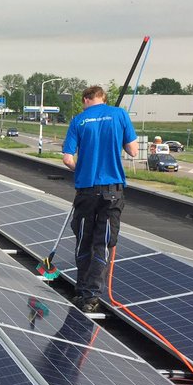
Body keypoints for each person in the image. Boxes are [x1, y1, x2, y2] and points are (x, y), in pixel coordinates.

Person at [61, 85, 138, 313]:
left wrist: (81, 168)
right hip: (112, 192)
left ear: (86, 99)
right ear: (103, 99)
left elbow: (67, 159)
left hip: (86, 190)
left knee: (83, 241)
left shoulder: (79, 120)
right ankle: (92, 296)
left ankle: (82, 289)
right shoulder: (119, 114)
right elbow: (133, 150)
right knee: (102, 243)